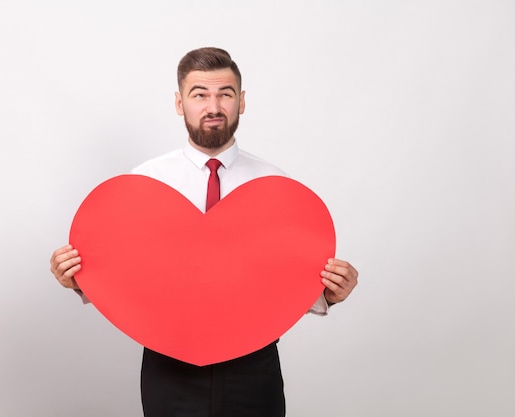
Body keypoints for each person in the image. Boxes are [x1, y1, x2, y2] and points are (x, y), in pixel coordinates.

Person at [50, 47, 358, 417]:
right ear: (180, 103)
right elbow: (126, 272)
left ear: (241, 102)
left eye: (224, 94)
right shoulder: (144, 184)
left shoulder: (276, 187)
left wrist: (329, 292)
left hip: (253, 367)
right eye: (199, 94)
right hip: (169, 366)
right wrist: (79, 279)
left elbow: (284, 279)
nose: (213, 106)